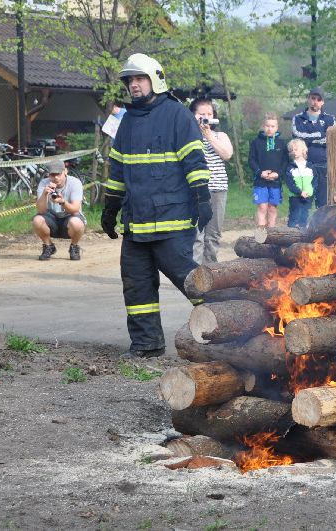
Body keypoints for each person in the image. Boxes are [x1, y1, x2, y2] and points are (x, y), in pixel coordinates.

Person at [101, 53, 211, 358]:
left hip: (172, 223)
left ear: (155, 80)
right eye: (130, 81)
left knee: (190, 281)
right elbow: (118, 172)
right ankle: (146, 344)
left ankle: (228, 326)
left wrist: (202, 197)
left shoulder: (177, 115)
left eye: (139, 79)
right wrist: (110, 210)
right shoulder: (126, 123)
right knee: (136, 286)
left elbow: (194, 161)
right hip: (136, 225)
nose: (134, 85)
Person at [191, 98, 233, 264]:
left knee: (213, 234)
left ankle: (211, 274)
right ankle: (195, 274)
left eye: (209, 114)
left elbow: (227, 154)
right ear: (193, 115)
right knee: (196, 234)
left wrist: (208, 135)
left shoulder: (220, 135)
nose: (206, 117)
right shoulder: (188, 136)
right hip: (195, 191)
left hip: (218, 190)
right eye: (202, 114)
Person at [32, 159, 86, 261]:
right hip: (52, 218)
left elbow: (75, 210)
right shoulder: (44, 183)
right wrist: (44, 194)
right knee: (37, 220)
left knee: (77, 223)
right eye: (52, 175)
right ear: (49, 174)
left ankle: (74, 247)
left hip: (69, 217)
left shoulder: (75, 183)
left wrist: (63, 202)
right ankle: (49, 246)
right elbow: (41, 211)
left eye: (58, 174)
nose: (56, 177)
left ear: (65, 171)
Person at [292, 87, 335, 209]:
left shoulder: (330, 119)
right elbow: (297, 136)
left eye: (318, 99)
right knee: (304, 198)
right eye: (313, 98)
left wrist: (309, 138)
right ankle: (301, 226)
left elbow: (332, 139)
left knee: (323, 201)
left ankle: (321, 226)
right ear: (308, 99)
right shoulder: (298, 118)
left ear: (323, 102)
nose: (315, 101)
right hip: (304, 164)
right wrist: (319, 135)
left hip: (324, 164)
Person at [249, 112, 287, 229]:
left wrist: (278, 174)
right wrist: (260, 172)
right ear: (263, 126)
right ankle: (261, 238)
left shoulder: (282, 143)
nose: (270, 129)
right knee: (262, 207)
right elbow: (251, 160)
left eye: (272, 126)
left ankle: (271, 239)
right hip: (260, 181)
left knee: (272, 208)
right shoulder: (256, 142)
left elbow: (285, 162)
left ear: (277, 127)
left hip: (275, 182)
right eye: (267, 126)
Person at [284, 139, 316, 229]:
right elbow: (290, 183)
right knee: (293, 217)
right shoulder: (290, 167)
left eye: (296, 149)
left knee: (304, 217)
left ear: (303, 150)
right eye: (292, 150)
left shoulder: (310, 166)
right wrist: (299, 192)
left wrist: (311, 191)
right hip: (295, 197)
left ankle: (303, 238)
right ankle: (289, 237)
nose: (294, 152)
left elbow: (315, 181)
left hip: (307, 196)